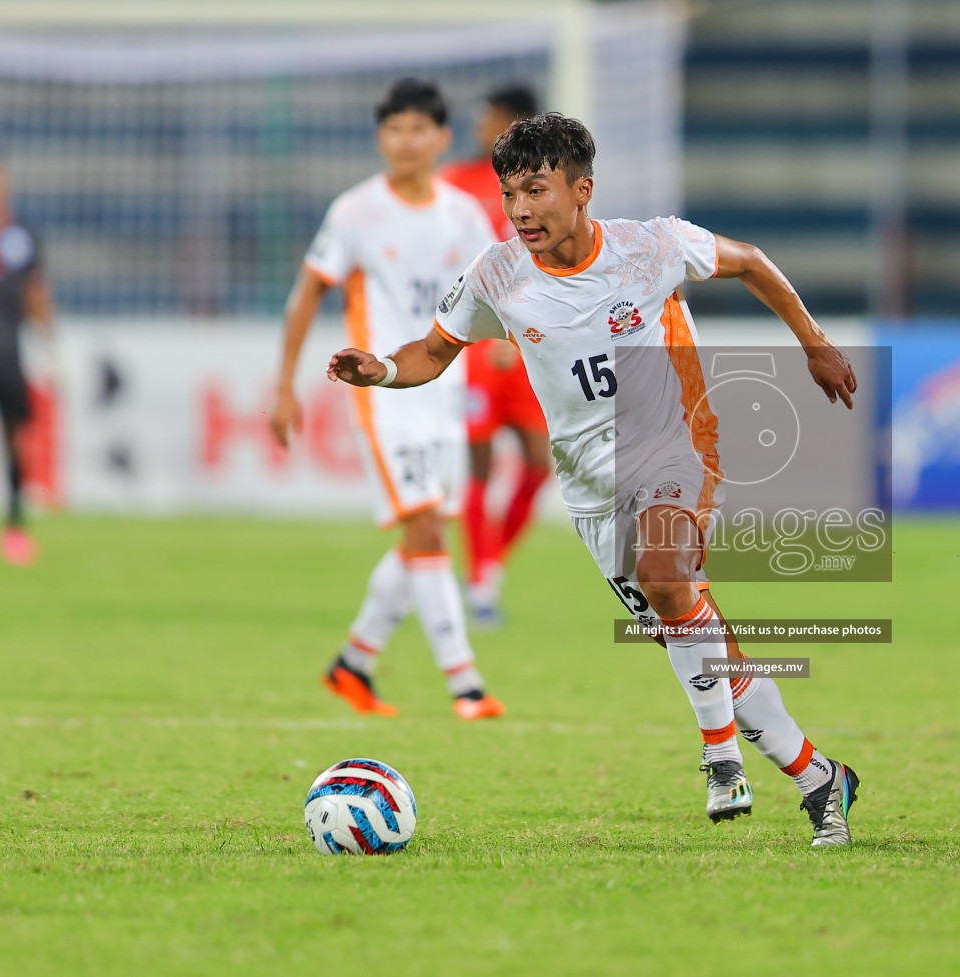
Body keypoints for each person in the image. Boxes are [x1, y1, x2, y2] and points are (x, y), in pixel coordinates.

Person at [326, 114, 863, 846]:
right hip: (591, 490)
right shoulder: (497, 274)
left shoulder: (652, 246)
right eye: (510, 193)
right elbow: (432, 350)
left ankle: (718, 758)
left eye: (536, 190)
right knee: (704, 649)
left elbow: (751, 260)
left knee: (666, 574)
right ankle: (818, 778)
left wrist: (816, 344)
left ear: (582, 190)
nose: (520, 210)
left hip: (681, 447)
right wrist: (382, 371)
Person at [269, 78, 504, 721]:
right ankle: (466, 684)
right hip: (382, 388)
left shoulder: (463, 214)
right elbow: (308, 293)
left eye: (418, 129)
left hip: (445, 389)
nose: (406, 141)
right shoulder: (355, 212)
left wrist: (508, 342)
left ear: (441, 138)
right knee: (425, 526)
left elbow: (494, 291)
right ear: (381, 138)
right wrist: (284, 385)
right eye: (395, 129)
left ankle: (354, 662)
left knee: (422, 534)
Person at [440, 85, 550, 627]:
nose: (480, 127)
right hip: (478, 346)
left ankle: (489, 566)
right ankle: (482, 585)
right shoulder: (454, 184)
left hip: (532, 348)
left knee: (538, 462)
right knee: (478, 464)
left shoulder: (549, 190)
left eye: (490, 119)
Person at [0, 148, 54, 566]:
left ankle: (14, 525)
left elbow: (36, 289)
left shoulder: (21, 232)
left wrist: (50, 341)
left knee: (15, 436)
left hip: (7, 349)